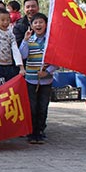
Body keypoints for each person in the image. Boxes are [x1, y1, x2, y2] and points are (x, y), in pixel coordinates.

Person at [19, 13, 56, 144]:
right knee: (32, 107)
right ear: (31, 25)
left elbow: (57, 61)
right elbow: (22, 55)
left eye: (41, 22)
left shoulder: (51, 41)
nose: (38, 25)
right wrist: (25, 40)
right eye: (35, 23)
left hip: (46, 80)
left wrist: (47, 72)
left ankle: (40, 131)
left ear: (46, 24)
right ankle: (32, 131)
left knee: (43, 106)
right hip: (30, 79)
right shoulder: (29, 40)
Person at [0, 8, 25, 87]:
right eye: (2, 20)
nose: (5, 22)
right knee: (0, 87)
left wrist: (21, 67)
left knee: (9, 88)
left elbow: (15, 50)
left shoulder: (11, 34)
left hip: (8, 65)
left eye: (8, 20)